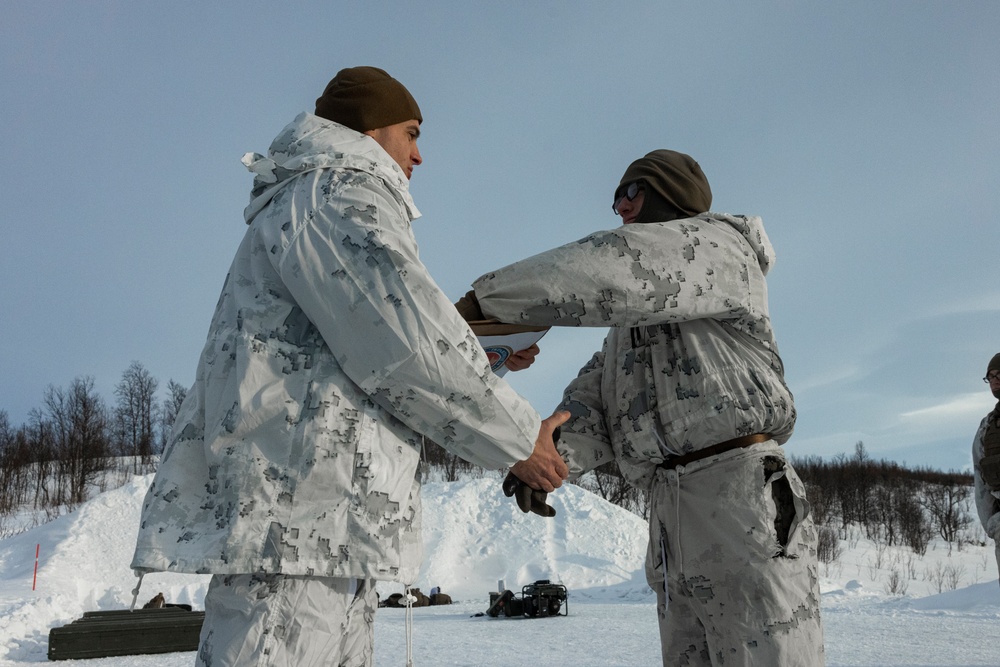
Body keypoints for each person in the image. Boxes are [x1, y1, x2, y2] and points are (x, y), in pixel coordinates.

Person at [130, 66, 567, 667]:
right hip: (299, 525)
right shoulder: (337, 192)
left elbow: (365, 346)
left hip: (324, 528)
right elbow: (406, 344)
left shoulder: (321, 197)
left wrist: (485, 360)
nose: (419, 154)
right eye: (411, 133)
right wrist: (518, 437)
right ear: (369, 129)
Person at [470, 150, 825, 665]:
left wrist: (484, 305)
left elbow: (615, 264)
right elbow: (594, 401)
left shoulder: (716, 249)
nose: (618, 207)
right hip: (667, 513)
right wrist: (547, 454)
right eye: (614, 197)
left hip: (740, 499)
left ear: (669, 192)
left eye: (630, 191)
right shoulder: (629, 333)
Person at [972, 353, 1000, 582]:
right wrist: (993, 524)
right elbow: (981, 480)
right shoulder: (988, 426)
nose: (995, 380)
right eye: (990, 376)